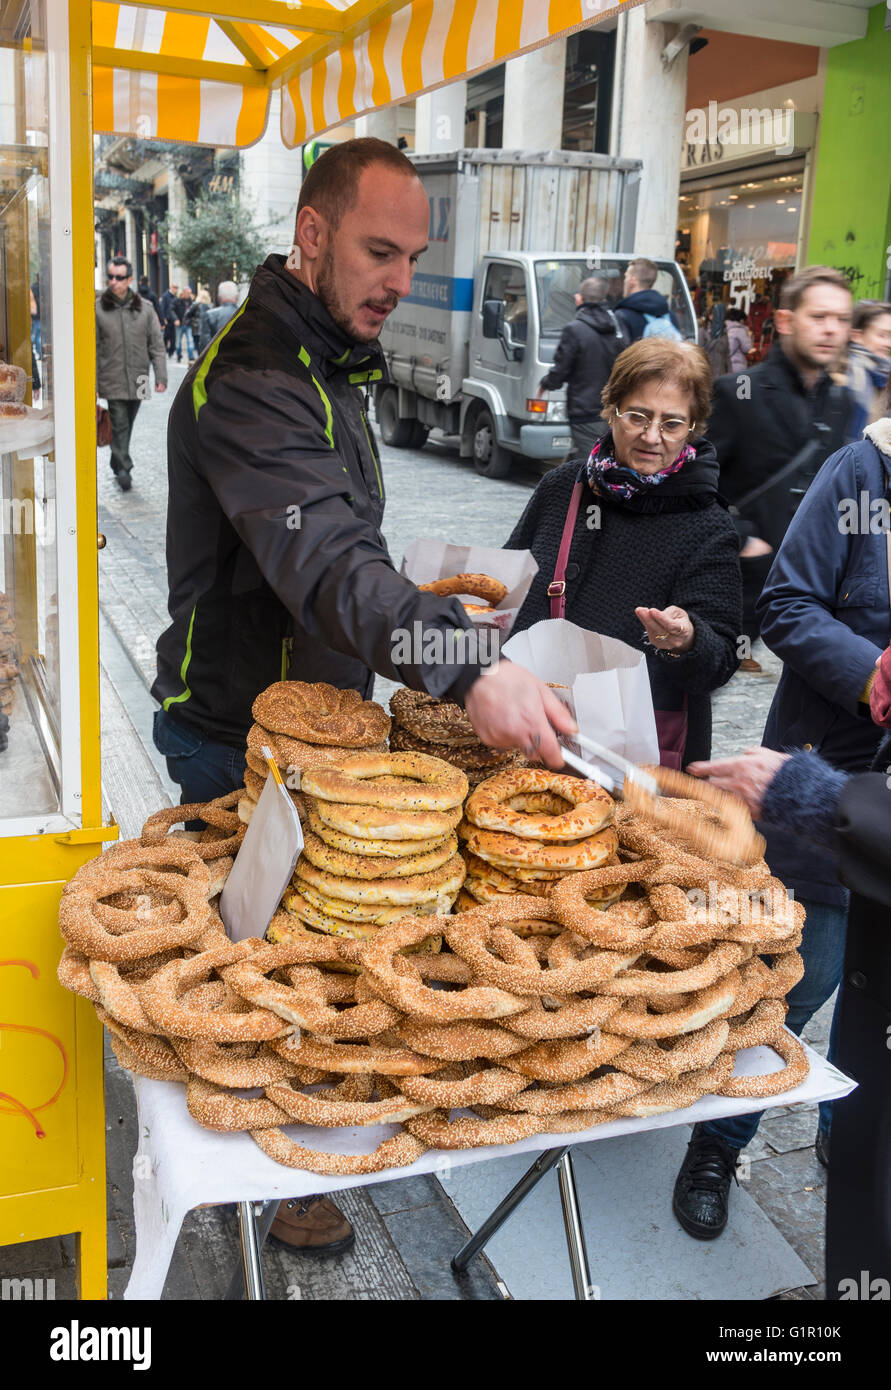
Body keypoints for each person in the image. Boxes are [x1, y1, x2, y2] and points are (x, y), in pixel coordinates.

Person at [151, 138, 573, 1255]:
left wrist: (428, 617)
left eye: (414, 258)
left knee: (335, 945)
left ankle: (303, 1133)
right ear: (312, 234)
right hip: (236, 734)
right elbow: (331, 566)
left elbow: (350, 557)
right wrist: (468, 665)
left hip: (326, 719)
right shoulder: (254, 376)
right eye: (379, 250)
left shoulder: (332, 359)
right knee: (271, 970)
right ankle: (263, 1171)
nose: (399, 278)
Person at [671, 414, 891, 1242]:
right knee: (798, 982)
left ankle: (849, 1141)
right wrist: (871, 670)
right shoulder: (859, 474)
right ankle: (716, 1146)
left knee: (878, 1016)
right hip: (824, 778)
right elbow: (787, 605)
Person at [676, 705, 891, 1294]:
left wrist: (811, 792)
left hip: (845, 817)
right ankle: (719, 1142)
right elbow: (788, 610)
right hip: (840, 847)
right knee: (785, 1002)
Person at [505, 338, 742, 767]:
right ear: (611, 409)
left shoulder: (708, 525)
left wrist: (687, 640)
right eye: (638, 416)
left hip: (636, 752)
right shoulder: (562, 488)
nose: (652, 436)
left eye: (672, 423)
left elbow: (721, 659)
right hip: (532, 730)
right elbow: (508, 587)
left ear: (693, 427)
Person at [708, 265, 854, 673]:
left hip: (807, 590)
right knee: (689, 697)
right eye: (819, 317)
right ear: (787, 321)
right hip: (735, 584)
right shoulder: (739, 392)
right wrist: (744, 540)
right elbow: (695, 485)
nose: (831, 330)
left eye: (841, 320)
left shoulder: (839, 401)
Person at [95, 255, 167, 491]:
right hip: (111, 376)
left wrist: (161, 376)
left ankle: (117, 461)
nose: (113, 281)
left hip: (140, 377)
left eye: (119, 277)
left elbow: (156, 344)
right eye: (111, 277)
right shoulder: (97, 309)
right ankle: (124, 468)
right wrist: (92, 383)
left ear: (130, 279)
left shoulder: (145, 309)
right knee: (119, 422)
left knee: (130, 422)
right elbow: (92, 348)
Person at [536, 275, 628, 460]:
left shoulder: (575, 329)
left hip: (584, 409)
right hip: (611, 408)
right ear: (603, 299)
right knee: (593, 456)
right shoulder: (617, 326)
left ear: (579, 299)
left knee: (587, 462)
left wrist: (545, 384)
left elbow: (561, 369)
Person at [843, 298, 891, 437]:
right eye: (882, 335)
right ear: (857, 336)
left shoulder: (882, 374)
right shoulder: (846, 375)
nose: (888, 343)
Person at [615, 257, 681, 343]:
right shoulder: (669, 315)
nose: (624, 281)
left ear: (632, 280)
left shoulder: (623, 315)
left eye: (626, 276)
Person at [201, 280, 239, 351]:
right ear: (237, 297)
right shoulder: (249, 315)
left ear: (219, 297)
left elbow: (204, 344)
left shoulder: (209, 315)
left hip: (218, 359)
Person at [725, 307, 752, 372]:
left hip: (724, 365)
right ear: (741, 320)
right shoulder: (740, 330)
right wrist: (748, 336)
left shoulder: (725, 328)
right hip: (737, 365)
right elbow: (747, 348)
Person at [175, 286, 197, 362]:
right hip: (179, 324)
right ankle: (178, 354)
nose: (189, 294)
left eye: (189, 293)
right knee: (178, 342)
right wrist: (175, 319)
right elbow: (171, 310)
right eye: (187, 293)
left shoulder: (192, 302)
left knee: (190, 340)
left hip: (188, 324)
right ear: (183, 292)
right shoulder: (177, 301)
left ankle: (191, 356)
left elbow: (194, 313)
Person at [159, 282, 180, 357]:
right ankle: (164, 348)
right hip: (167, 319)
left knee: (173, 337)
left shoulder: (176, 297)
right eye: (174, 287)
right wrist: (163, 318)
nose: (176, 289)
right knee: (166, 335)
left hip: (173, 319)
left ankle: (171, 351)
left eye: (177, 288)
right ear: (171, 287)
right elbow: (163, 307)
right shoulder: (165, 296)